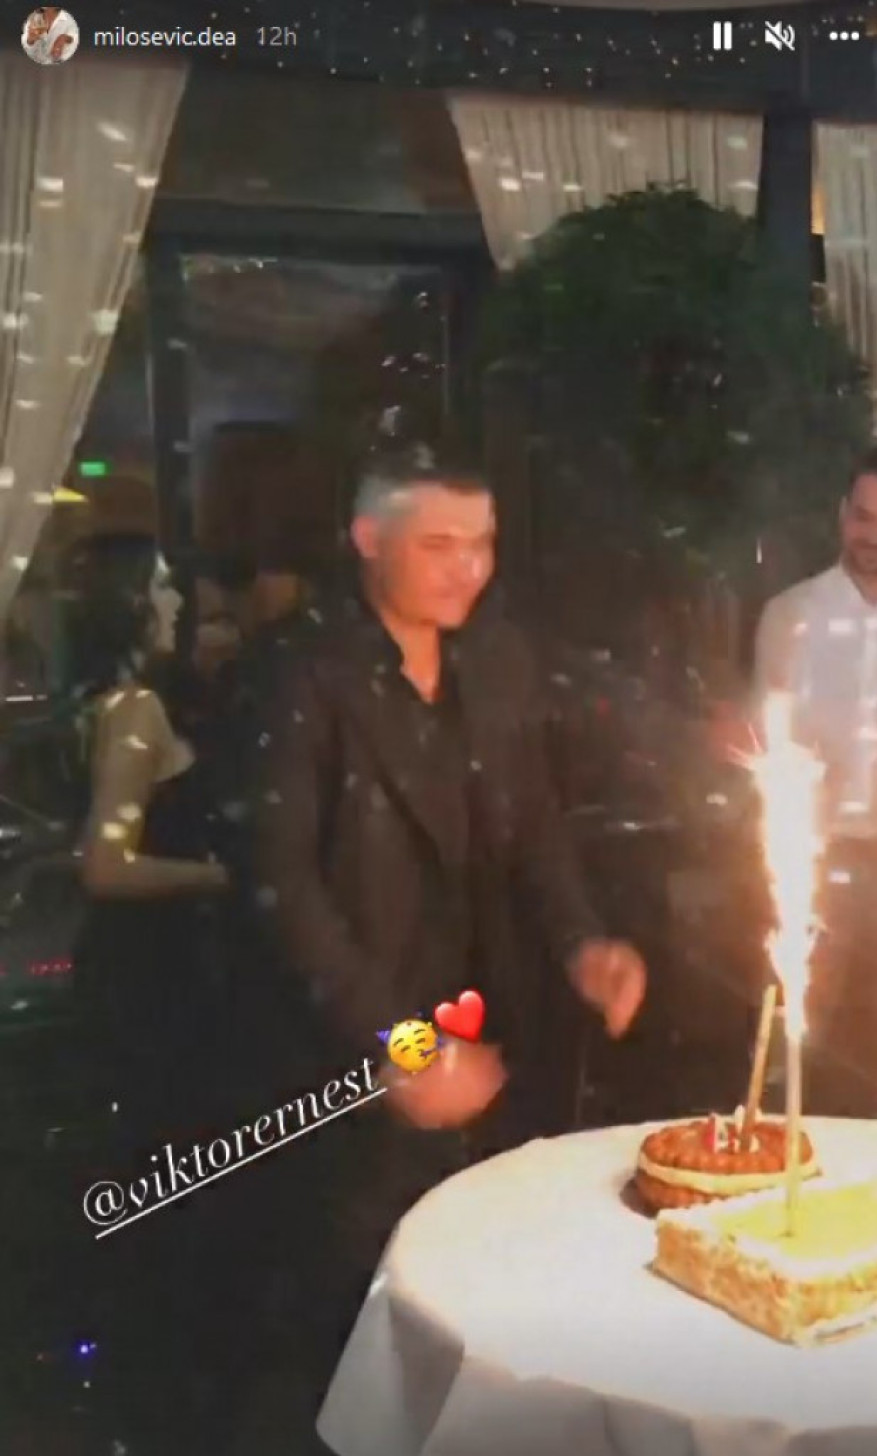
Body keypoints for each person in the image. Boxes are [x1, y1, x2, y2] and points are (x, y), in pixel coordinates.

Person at [250, 442, 647, 1387]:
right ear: (367, 537)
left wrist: (581, 942)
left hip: (492, 1033)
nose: (468, 568)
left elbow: (536, 825)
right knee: (369, 1329)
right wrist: (404, 1043)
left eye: (483, 543)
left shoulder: (496, 660)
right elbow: (282, 888)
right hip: (357, 1052)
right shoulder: (303, 674)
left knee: (498, 1310)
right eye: (439, 544)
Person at [70, 535, 239, 1455]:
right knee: (164, 1168)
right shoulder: (136, 710)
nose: (177, 602)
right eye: (163, 588)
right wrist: (220, 877)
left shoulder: (100, 701)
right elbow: (107, 864)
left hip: (132, 971)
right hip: (151, 974)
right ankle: (162, 1391)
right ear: (132, 602)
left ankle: (143, 1378)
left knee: (147, 1166)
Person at [754, 443, 877, 1116]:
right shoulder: (790, 617)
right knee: (802, 1048)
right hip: (815, 865)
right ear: (842, 513)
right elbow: (768, 747)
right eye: (864, 517)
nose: (876, 536)